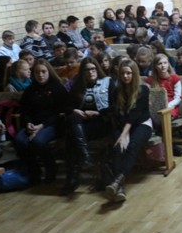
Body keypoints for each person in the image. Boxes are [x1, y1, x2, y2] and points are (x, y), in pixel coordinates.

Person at [103, 59, 153, 203]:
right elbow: (115, 111)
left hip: (142, 124)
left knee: (131, 146)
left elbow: (134, 115)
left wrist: (125, 135)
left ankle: (117, 180)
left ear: (134, 74)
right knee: (118, 148)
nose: (125, 76)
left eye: (129, 73)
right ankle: (119, 188)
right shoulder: (116, 91)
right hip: (123, 125)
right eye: (123, 73)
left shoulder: (143, 90)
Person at [63, 57, 114, 194]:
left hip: (102, 122)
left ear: (97, 69)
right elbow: (66, 106)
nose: (91, 72)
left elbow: (114, 106)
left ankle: (72, 180)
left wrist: (98, 113)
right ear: (83, 72)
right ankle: (85, 158)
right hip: (83, 123)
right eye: (87, 70)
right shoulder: (78, 86)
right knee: (73, 120)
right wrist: (75, 110)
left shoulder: (108, 82)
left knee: (71, 137)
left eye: (93, 69)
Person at [14, 59, 69, 185]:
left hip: (52, 124)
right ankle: (34, 171)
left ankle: (51, 168)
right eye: (37, 72)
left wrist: (42, 126)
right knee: (20, 141)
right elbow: (25, 111)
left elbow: (61, 112)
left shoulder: (57, 88)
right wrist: (28, 123)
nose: (40, 75)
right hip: (33, 124)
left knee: (38, 141)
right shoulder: (30, 90)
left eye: (43, 71)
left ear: (49, 72)